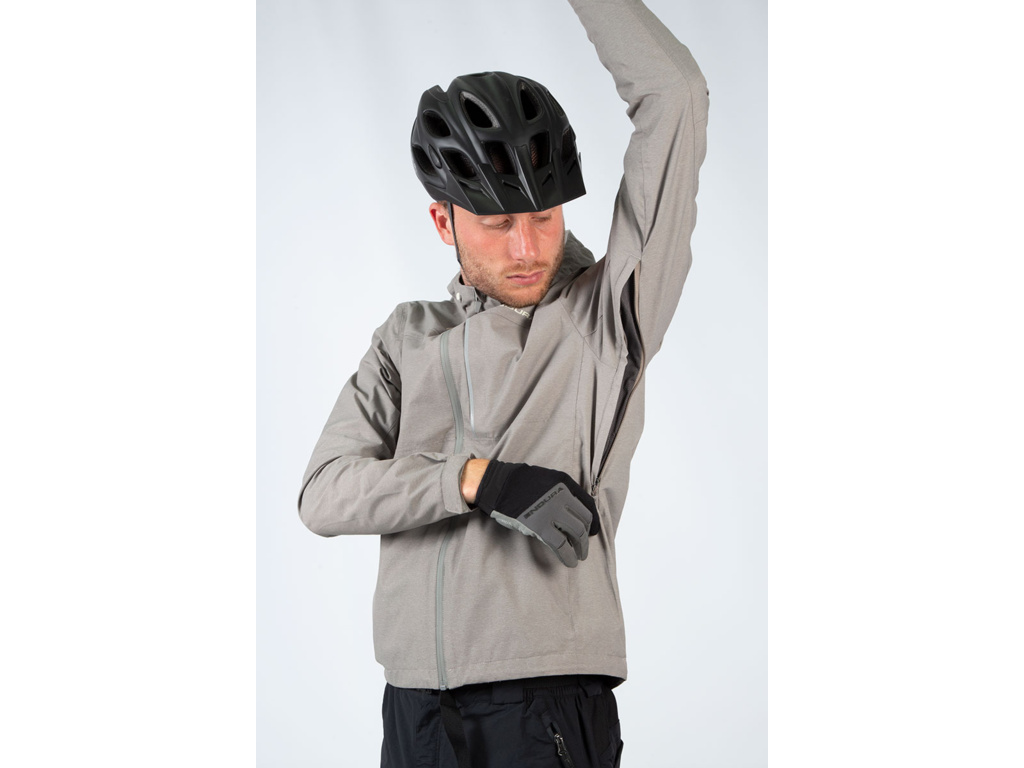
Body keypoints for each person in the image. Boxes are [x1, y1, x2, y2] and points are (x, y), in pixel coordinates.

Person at [298, 0, 708, 764]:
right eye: (497, 223)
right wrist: (476, 481)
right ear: (443, 223)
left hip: (541, 705)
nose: (527, 247)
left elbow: (676, 94)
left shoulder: (607, 318)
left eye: (545, 216)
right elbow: (323, 495)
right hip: (414, 708)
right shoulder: (407, 337)